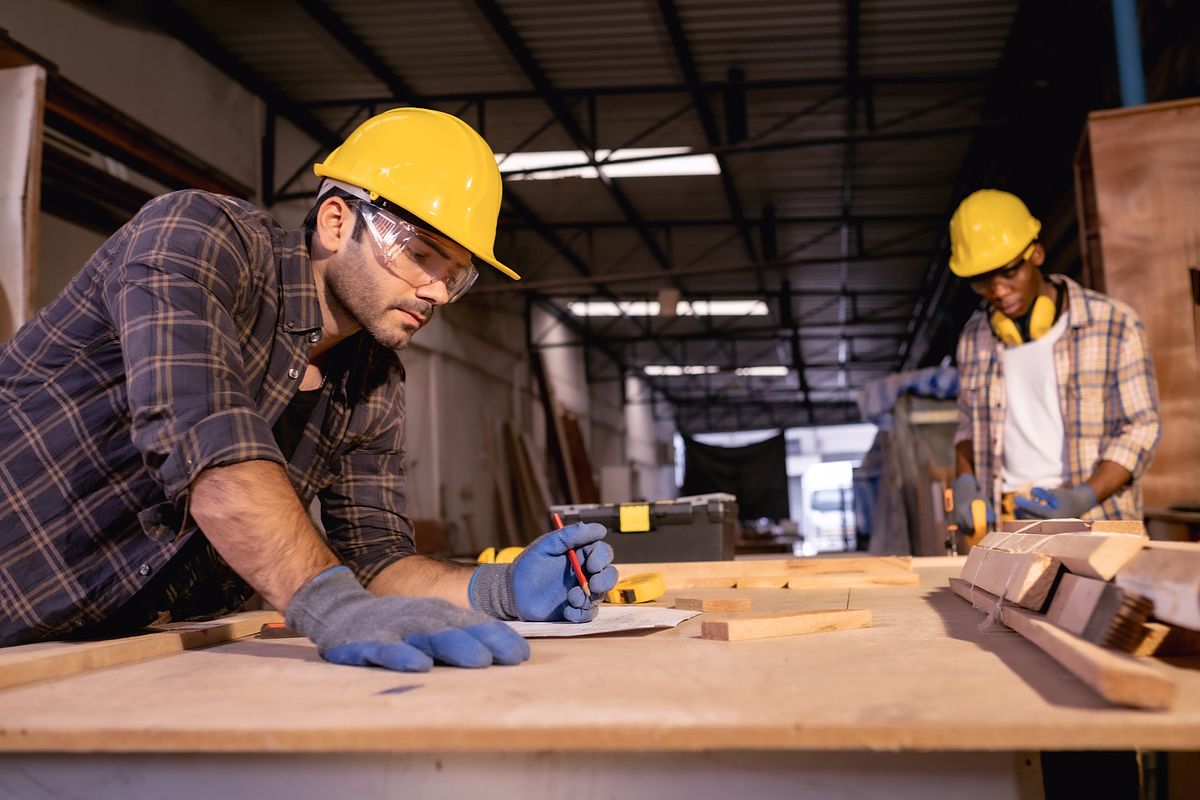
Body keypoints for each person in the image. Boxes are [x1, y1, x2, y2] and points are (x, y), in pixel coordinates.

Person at [0, 108, 618, 671]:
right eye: (420, 255)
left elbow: (376, 559)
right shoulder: (197, 237)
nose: (433, 293)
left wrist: (498, 589)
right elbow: (204, 441)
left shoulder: (374, 379)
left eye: (453, 277)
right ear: (334, 219)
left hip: (85, 654)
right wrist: (330, 605)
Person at [948, 189, 1160, 533]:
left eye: (1008, 273)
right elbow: (966, 426)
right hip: (1009, 524)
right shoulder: (974, 339)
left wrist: (1083, 496)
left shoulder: (1114, 325)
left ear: (1036, 254)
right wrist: (965, 481)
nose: (998, 291)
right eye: (981, 281)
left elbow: (1142, 429)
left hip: (1097, 522)